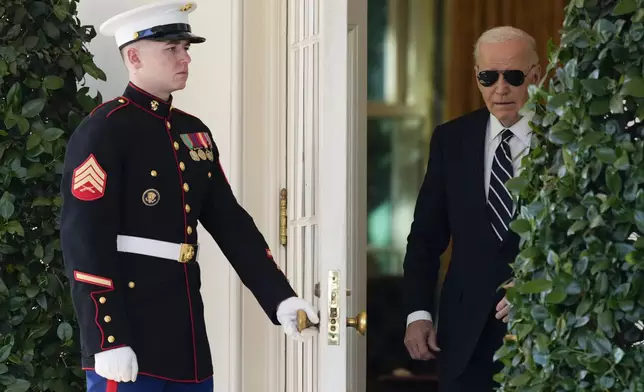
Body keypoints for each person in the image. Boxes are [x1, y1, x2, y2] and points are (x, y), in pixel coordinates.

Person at [59, 2, 318, 391]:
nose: (186, 58)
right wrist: (107, 338)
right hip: (127, 333)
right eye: (172, 49)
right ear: (134, 56)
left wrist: (281, 299)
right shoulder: (104, 130)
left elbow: (232, 224)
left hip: (186, 335)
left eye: (186, 48)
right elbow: (84, 241)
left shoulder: (193, 132)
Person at [401, 26, 541, 391]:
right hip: (464, 341)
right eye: (488, 76)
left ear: (536, 76)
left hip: (544, 335)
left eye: (513, 76)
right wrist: (418, 313)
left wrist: (539, 283)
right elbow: (425, 238)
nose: (500, 89)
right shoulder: (451, 139)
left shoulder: (565, 140)